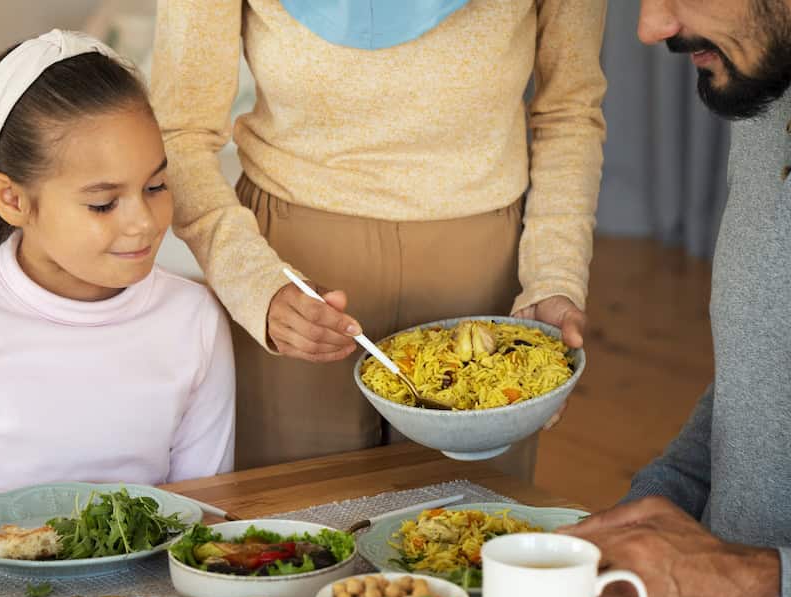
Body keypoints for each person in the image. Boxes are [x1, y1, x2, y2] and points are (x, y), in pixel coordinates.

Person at [150, 0, 607, 476]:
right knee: (299, 529)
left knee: (470, 530)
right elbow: (179, 131)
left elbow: (570, 113)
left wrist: (554, 278)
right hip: (290, 280)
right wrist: (252, 284)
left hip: (484, 275)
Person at [0, 30, 235, 534]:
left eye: (156, 186)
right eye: (103, 203)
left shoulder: (193, 319)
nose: (145, 223)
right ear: (13, 199)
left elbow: (203, 520)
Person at [563, 0, 791, 597]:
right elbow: (767, 371)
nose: (652, 27)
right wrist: (649, 505)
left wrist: (753, 593)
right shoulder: (774, 104)